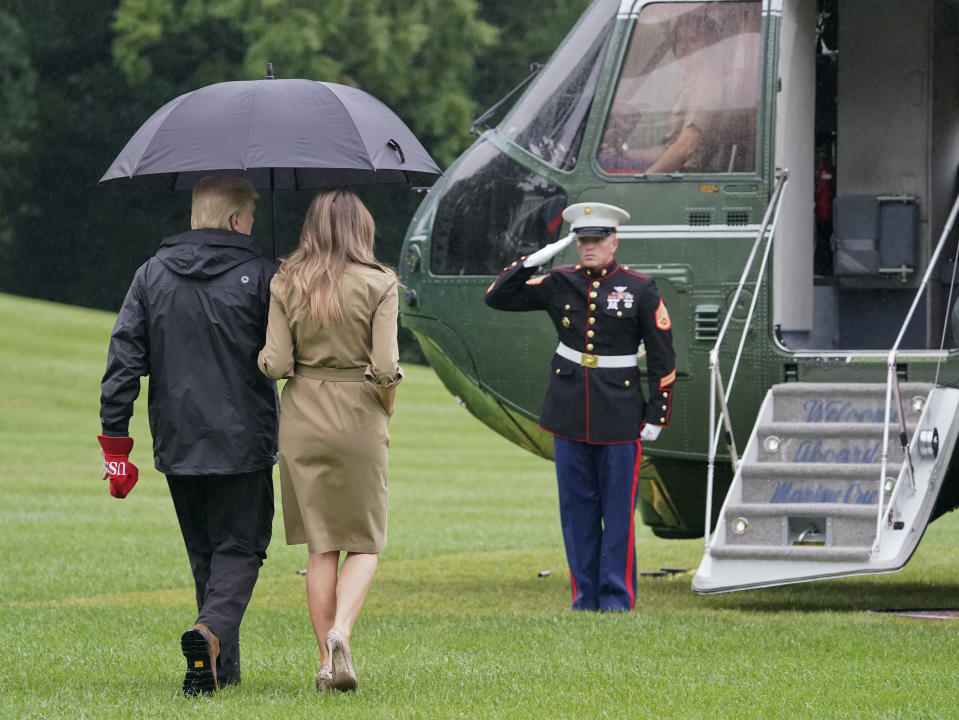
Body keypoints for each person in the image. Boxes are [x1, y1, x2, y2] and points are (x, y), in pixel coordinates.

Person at [98, 174, 278, 696]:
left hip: (177, 440)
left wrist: (116, 444)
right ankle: (208, 633)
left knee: (205, 551)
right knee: (242, 548)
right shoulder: (262, 274)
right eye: (249, 217)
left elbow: (122, 363)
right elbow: (286, 355)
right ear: (234, 220)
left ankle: (217, 668)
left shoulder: (150, 275)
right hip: (244, 439)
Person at [485, 201, 676, 612]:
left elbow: (662, 357)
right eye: (582, 240)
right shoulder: (558, 281)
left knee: (617, 514)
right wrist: (539, 257)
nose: (589, 248)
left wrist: (658, 414)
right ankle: (584, 598)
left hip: (621, 412)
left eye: (597, 240)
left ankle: (617, 599)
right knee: (577, 513)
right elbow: (497, 297)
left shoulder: (640, 288)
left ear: (614, 241)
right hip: (569, 409)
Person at [257, 188, 402, 692]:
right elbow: (385, 368)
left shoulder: (285, 281)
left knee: (321, 548)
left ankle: (325, 661)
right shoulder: (380, 282)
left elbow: (275, 364)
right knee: (364, 542)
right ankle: (342, 631)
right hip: (359, 415)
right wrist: (386, 404)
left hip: (301, 419)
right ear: (361, 229)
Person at [600, 12, 723, 174]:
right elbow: (667, 151)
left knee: (600, 166)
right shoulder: (693, 84)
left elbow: (686, 148)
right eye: (680, 39)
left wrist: (645, 180)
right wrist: (625, 154)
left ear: (710, 46)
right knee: (607, 160)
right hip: (677, 172)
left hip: (684, 176)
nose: (684, 47)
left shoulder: (706, 85)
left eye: (693, 40)